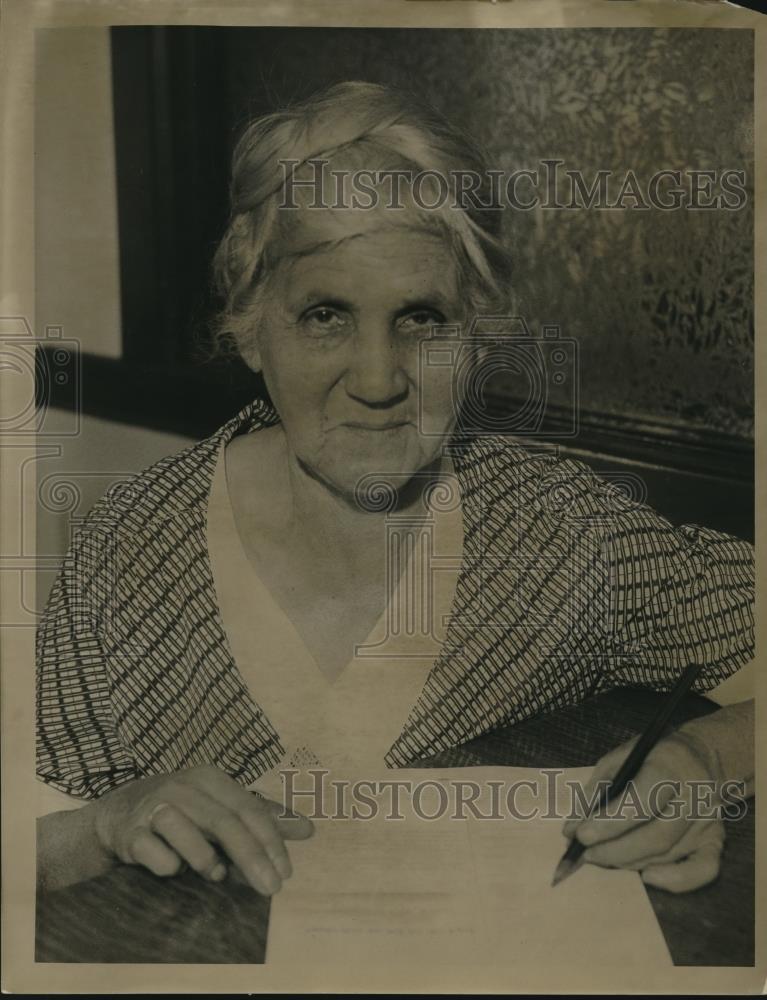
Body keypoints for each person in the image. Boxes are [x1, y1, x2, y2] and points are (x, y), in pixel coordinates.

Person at [36, 81, 754, 899]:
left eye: (421, 319)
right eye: (324, 317)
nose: (378, 380)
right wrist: (100, 824)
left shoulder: (561, 529)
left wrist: (702, 761)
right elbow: (29, 834)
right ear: (248, 325)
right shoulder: (128, 547)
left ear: (478, 334)